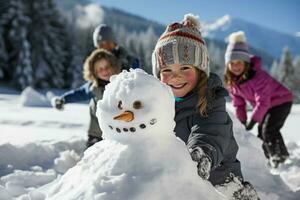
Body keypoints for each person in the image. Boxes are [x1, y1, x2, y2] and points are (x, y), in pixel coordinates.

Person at [152, 14, 259, 199]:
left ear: (200, 71)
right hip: (180, 176)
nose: (176, 76)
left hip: (222, 177)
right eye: (167, 70)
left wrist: (201, 156)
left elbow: (209, 133)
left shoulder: (211, 101)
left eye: (185, 68)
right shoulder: (159, 104)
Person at [224, 31, 293, 168]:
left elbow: (262, 101)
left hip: (281, 101)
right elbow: (239, 105)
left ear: (246, 63)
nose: (236, 66)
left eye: (239, 62)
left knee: (268, 130)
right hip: (267, 105)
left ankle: (279, 158)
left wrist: (253, 121)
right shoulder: (234, 83)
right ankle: (273, 157)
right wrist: (242, 122)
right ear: (228, 65)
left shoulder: (258, 77)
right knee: (263, 131)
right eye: (232, 63)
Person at [52, 49, 121, 148]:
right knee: (93, 159)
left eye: (107, 67)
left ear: (113, 66)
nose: (104, 71)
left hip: (117, 133)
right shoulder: (93, 88)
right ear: (94, 72)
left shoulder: (121, 84)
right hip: (96, 134)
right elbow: (79, 93)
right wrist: (64, 99)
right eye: (100, 69)